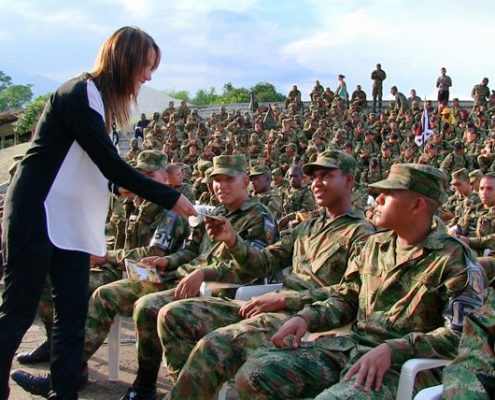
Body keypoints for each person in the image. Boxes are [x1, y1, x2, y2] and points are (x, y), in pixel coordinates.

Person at [0, 26, 197, 400]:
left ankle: (65, 392)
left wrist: (116, 187)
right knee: (17, 314)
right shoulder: (77, 92)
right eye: (146, 66)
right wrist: (168, 196)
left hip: (70, 222)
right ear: (125, 59)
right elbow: (108, 162)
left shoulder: (99, 104)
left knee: (72, 316)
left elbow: (94, 168)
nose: (149, 76)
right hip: (37, 211)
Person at [234, 164, 484, 400]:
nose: (378, 201)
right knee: (254, 374)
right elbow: (346, 297)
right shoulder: (375, 246)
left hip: (401, 366)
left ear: (417, 205)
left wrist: (395, 349)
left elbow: (461, 336)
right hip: (352, 348)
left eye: (388, 195)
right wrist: (306, 317)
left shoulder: (455, 259)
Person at [159, 150, 375, 399]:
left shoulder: (362, 233)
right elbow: (262, 264)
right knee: (173, 315)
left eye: (326, 175)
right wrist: (233, 241)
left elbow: (350, 295)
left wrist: (286, 300)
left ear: (348, 181)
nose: (316, 182)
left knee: (213, 346)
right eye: (314, 176)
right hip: (274, 307)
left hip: (306, 318)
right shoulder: (306, 227)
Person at [120, 154, 277, 400]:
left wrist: (205, 272)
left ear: (245, 181)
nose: (220, 185)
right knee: (143, 304)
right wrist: (168, 261)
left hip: (227, 293)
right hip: (193, 283)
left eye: (228, 179)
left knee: (158, 310)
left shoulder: (260, 216)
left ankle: (184, 391)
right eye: (216, 179)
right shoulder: (216, 212)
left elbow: (255, 267)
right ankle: (150, 385)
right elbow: (193, 249)